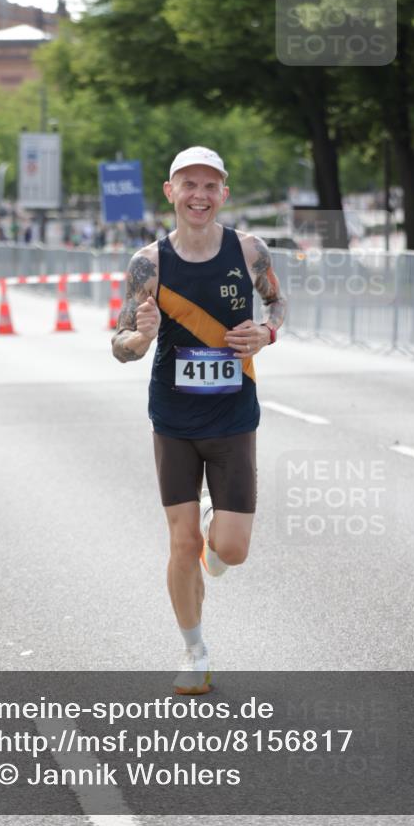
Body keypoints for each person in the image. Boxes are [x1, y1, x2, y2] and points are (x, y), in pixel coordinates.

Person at [111, 146, 286, 695]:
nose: (199, 196)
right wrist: (140, 338)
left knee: (230, 550)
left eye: (210, 186)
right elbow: (120, 344)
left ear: (223, 194)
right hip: (174, 418)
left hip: (234, 414)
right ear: (171, 192)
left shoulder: (249, 250)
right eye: (189, 185)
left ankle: (218, 528)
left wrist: (268, 331)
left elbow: (278, 306)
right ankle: (194, 650)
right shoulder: (149, 263)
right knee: (181, 544)